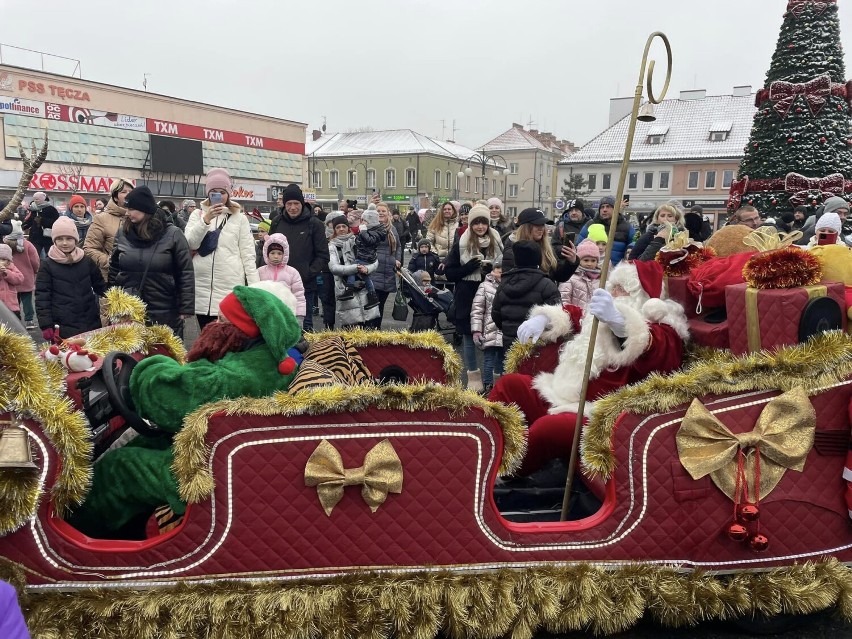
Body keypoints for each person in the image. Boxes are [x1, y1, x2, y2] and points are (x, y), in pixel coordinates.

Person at [67, 282, 303, 538]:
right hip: (221, 449)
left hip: (207, 470)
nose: (213, 324)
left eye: (221, 319)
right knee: (148, 440)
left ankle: (77, 536)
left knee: (119, 468)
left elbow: (168, 395)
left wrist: (147, 369)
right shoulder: (265, 358)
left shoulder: (237, 374)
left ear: (241, 329)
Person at [488, 260, 689, 476]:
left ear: (643, 297)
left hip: (600, 416)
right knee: (510, 384)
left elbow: (657, 350)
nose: (614, 292)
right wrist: (544, 318)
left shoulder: (662, 329)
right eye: (613, 286)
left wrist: (620, 324)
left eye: (622, 289)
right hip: (561, 394)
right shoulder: (600, 315)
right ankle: (481, 445)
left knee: (547, 430)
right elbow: (574, 314)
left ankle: (503, 472)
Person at [109, 186, 195, 338]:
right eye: (126, 209)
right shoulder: (123, 233)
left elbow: (185, 271)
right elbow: (114, 268)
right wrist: (113, 299)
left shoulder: (173, 234)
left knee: (165, 357)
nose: (127, 213)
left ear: (145, 209)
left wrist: (186, 307)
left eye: (131, 209)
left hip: (165, 307)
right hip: (129, 310)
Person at [185, 168, 259, 330]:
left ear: (229, 193)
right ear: (208, 194)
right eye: (213, 192)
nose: (218, 196)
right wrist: (206, 220)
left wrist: (255, 289)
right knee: (206, 338)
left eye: (222, 192)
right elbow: (190, 243)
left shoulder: (239, 219)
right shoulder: (197, 215)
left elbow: (248, 255)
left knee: (228, 339)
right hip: (202, 289)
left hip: (229, 288)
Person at [444, 203, 503, 392]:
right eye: (476, 223)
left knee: (495, 339)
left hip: (493, 295)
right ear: (470, 224)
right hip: (467, 295)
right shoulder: (461, 242)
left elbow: (507, 266)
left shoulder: (496, 240)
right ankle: (474, 377)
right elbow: (450, 274)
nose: (480, 227)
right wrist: (468, 268)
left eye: (483, 223)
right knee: (469, 337)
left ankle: (494, 379)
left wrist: (491, 271)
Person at [268, 183, 329, 331]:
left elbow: (323, 255)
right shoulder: (277, 221)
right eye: (289, 204)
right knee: (279, 327)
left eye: (296, 203)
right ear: (284, 204)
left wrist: (308, 273)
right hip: (278, 285)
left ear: (302, 203)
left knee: (304, 328)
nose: (293, 207)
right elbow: (268, 249)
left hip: (304, 286)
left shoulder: (314, 224)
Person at [36, 215, 107, 341]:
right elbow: (42, 297)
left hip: (90, 320)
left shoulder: (86, 261)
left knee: (93, 357)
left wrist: (118, 299)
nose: (64, 243)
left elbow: (100, 286)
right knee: (68, 359)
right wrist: (45, 324)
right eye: (60, 239)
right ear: (54, 241)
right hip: (63, 324)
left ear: (75, 239)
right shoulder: (47, 265)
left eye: (69, 238)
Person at [492, 240, 561, 352]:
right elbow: (556, 313)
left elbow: (496, 314)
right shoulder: (547, 285)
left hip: (511, 342)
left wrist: (508, 329)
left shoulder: (504, 284)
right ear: (539, 258)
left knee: (513, 369)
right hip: (538, 343)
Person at [328, 212, 379, 328]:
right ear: (334, 230)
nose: (341, 229)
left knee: (368, 332)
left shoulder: (359, 240)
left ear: (348, 227)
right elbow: (333, 267)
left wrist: (367, 269)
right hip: (346, 291)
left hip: (365, 290)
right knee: (350, 334)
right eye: (338, 227)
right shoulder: (332, 246)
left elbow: (375, 261)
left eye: (344, 226)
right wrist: (355, 268)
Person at [502, 208, 578, 282]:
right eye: (537, 225)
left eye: (542, 225)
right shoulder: (512, 250)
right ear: (525, 228)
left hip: (547, 293)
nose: (541, 229)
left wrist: (571, 262)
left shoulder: (546, 248)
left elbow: (559, 276)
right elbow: (511, 282)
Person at [84, 178, 134, 281]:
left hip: (136, 278)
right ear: (115, 197)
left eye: (131, 192)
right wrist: (110, 261)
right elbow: (89, 249)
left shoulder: (140, 216)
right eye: (124, 192)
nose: (128, 194)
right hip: (112, 277)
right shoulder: (101, 219)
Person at [340, 203, 385, 308]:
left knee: (352, 270)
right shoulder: (370, 229)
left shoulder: (377, 231)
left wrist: (363, 232)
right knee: (366, 277)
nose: (362, 222)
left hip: (367, 257)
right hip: (363, 255)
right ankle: (373, 297)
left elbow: (370, 241)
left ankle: (349, 290)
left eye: (364, 220)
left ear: (370, 221)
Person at [366, 202, 402, 329]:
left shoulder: (392, 229)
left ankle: (377, 330)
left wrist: (397, 259)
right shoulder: (370, 227)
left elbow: (398, 246)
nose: (381, 213)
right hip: (374, 268)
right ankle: (369, 329)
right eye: (378, 211)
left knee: (381, 305)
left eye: (383, 211)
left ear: (388, 214)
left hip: (388, 271)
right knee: (372, 303)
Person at [258, 233, 307, 323]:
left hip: (287, 315)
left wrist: (299, 316)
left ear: (285, 254)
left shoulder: (292, 272)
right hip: (265, 316)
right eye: (272, 253)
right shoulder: (260, 272)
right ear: (266, 253)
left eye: (279, 253)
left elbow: (299, 295)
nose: (276, 256)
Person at [471, 259, 503, 393]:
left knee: (503, 360)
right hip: (489, 328)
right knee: (489, 359)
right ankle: (487, 386)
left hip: (503, 329)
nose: (501, 273)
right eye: (499, 270)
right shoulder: (484, 286)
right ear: (493, 271)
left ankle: (500, 387)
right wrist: (477, 330)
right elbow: (477, 309)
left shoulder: (509, 285)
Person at [577, 196, 634, 264]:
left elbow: (634, 245)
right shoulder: (591, 224)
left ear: (615, 209)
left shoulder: (626, 227)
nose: (604, 210)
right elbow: (578, 246)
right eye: (602, 207)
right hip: (593, 270)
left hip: (616, 270)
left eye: (608, 206)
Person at [3, 222, 39, 329]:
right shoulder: (27, 245)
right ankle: (29, 320)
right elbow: (35, 260)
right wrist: (36, 270)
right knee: (27, 300)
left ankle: (15, 320)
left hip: (10, 279)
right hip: (27, 277)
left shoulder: (4, 246)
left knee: (14, 301)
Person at [558, 239, 601, 308]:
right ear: (579, 260)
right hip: (575, 317)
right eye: (586, 260)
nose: (589, 264)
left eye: (593, 261)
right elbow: (564, 298)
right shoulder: (570, 277)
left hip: (592, 317)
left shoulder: (600, 279)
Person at [426, 201, 460, 273]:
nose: (446, 211)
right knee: (439, 282)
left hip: (454, 261)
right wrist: (435, 253)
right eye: (444, 209)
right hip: (438, 260)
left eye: (449, 209)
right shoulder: (435, 224)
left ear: (453, 211)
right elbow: (428, 241)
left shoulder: (458, 225)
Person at [23, 191, 60, 257]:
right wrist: (21, 227)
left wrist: (42, 220)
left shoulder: (51, 209)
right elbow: (30, 221)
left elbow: (56, 222)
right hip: (35, 237)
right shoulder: (33, 209)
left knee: (49, 255)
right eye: (34, 199)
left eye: (37, 199)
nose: (36, 201)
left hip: (47, 237)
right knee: (34, 255)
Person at [0, 244, 25, 319]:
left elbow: (20, 279)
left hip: (11, 305)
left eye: (3, 260)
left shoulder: (12, 267)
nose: (1, 262)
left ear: (8, 261)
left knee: (14, 326)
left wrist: (7, 273)